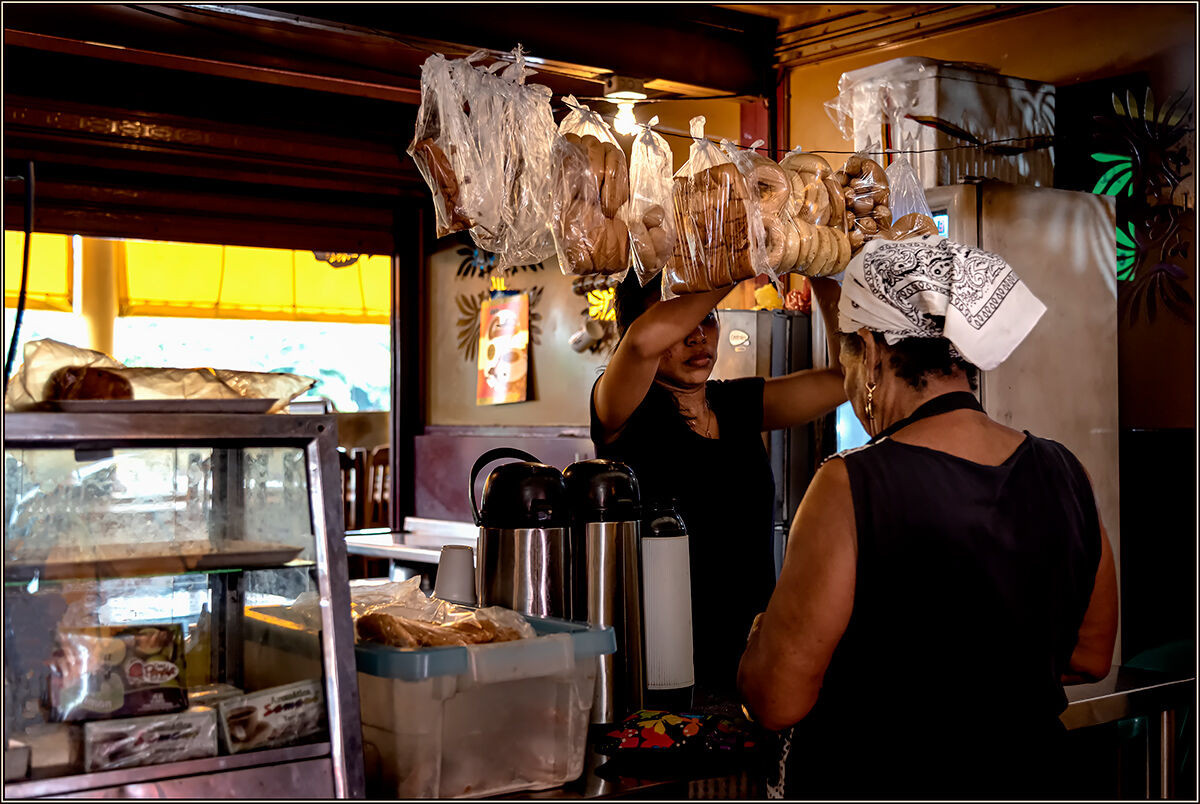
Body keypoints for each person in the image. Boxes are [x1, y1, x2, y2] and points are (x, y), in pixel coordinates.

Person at [737, 236, 1119, 798]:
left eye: (844, 357)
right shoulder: (1066, 470)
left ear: (869, 351)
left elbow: (775, 701)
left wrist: (761, 637)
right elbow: (1090, 656)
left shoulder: (849, 484)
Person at [591, 271, 847, 711]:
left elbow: (848, 377)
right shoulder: (621, 411)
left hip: (752, 664)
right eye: (677, 316)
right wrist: (738, 262)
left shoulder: (735, 406)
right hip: (662, 676)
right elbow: (640, 345)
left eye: (708, 317)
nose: (697, 334)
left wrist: (822, 272)